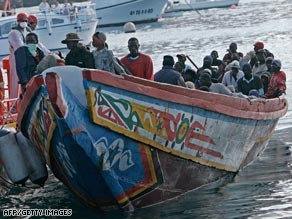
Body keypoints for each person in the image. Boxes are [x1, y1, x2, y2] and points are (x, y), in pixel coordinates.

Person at [8, 12, 31, 98]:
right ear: (18, 21)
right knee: (15, 81)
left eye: (25, 20)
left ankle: (23, 100)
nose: (24, 22)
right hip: (16, 58)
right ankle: (14, 103)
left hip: (26, 58)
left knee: (25, 79)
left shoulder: (27, 32)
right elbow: (19, 47)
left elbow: (37, 44)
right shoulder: (13, 33)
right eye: (22, 20)